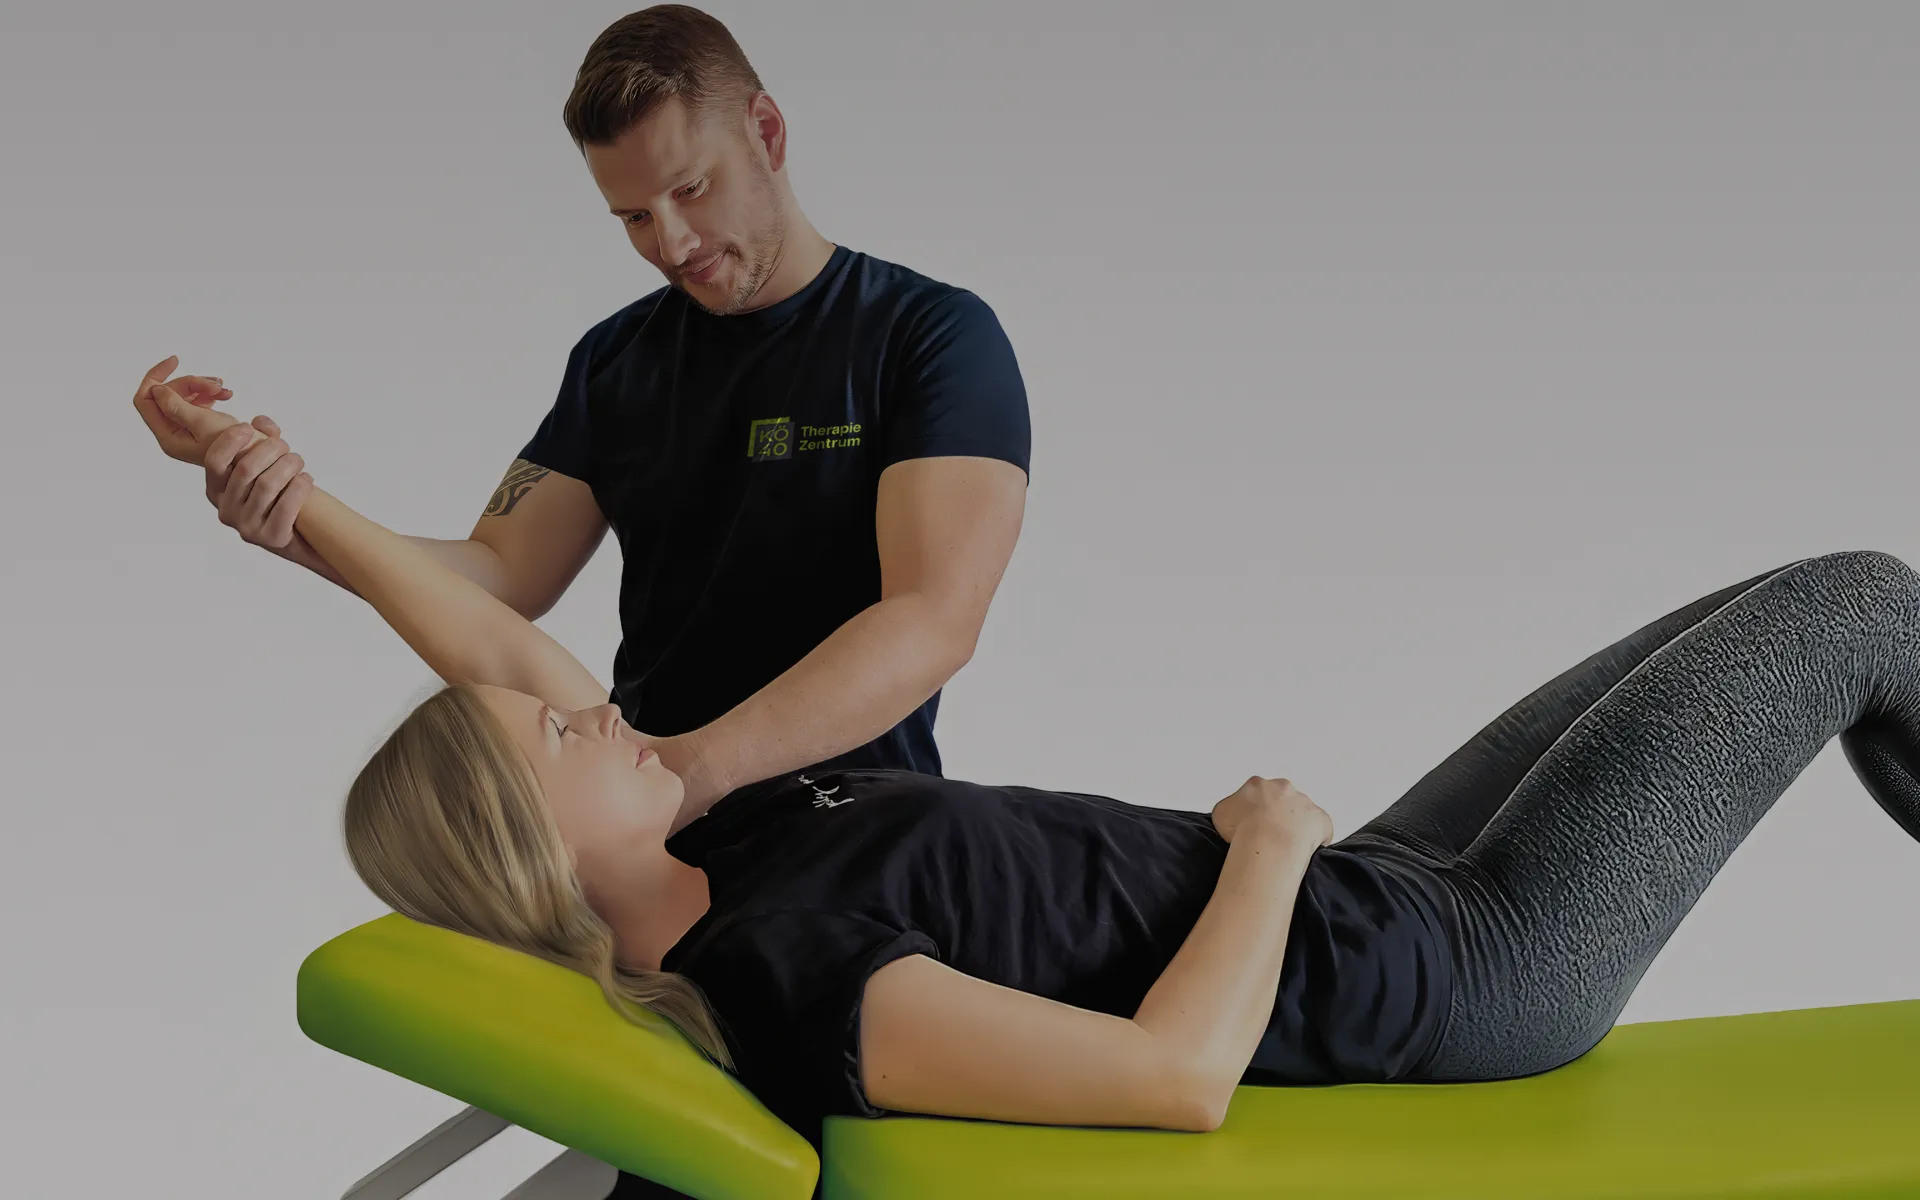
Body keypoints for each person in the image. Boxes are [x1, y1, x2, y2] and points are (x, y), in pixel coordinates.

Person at [143, 379, 1920, 1160]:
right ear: (541, 854)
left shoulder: (712, 831)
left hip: (1377, 888)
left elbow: (490, 657)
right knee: (1860, 606)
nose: (590, 705)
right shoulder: (782, 974)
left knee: (1795, 609)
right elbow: (1171, 1082)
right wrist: (1271, 847)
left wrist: (291, 504)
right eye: (560, 739)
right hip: (1463, 967)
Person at [132, 3, 1032, 835]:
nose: (671, 243)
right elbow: (493, 584)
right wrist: (291, 512)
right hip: (650, 833)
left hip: (855, 834)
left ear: (766, 132)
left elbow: (931, 619)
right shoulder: (615, 362)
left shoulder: (932, 336)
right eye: (634, 216)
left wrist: (692, 772)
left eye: (691, 189)